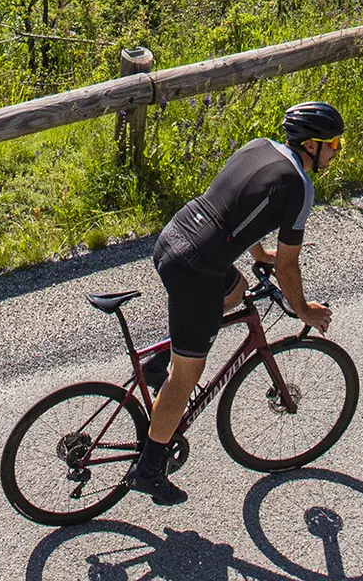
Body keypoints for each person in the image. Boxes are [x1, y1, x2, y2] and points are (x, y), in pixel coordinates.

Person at [125, 100, 343, 505]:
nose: (337, 151)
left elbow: (237, 205)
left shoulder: (258, 145)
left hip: (174, 237)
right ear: (311, 146)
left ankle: (157, 365)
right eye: (334, 143)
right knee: (186, 374)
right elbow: (289, 268)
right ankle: (150, 468)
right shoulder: (300, 186)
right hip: (197, 267)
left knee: (237, 289)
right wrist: (305, 310)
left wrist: (257, 255)